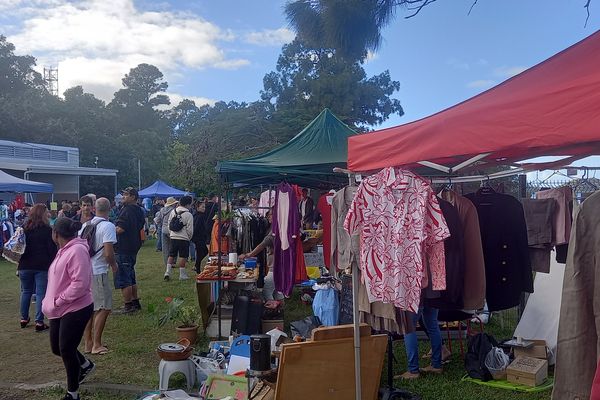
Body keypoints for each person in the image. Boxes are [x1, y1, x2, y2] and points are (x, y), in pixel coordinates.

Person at [41, 217, 95, 400]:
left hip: (76, 307)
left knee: (66, 349)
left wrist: (59, 300)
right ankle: (85, 365)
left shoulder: (77, 250)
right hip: (58, 308)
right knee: (57, 348)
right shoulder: (63, 250)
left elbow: (80, 284)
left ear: (55, 234)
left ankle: (73, 393)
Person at [81, 198, 117, 355]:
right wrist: (114, 265)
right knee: (104, 307)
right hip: (99, 270)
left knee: (89, 308)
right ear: (110, 209)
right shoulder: (108, 226)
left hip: (86, 270)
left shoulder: (86, 225)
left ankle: (88, 343)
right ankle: (97, 344)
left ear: (94, 209)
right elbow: (108, 252)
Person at [17, 204, 57, 331]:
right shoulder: (47, 230)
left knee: (26, 292)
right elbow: (52, 250)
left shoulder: (24, 228)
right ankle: (39, 321)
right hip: (42, 265)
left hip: (25, 265)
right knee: (40, 294)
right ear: (43, 214)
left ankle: (24, 318)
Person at [114, 187, 145, 314]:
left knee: (124, 277)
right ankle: (135, 301)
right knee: (131, 276)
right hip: (133, 246)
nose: (123, 197)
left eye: (126, 195)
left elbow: (121, 229)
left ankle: (128, 306)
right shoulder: (139, 210)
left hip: (124, 247)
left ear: (133, 197)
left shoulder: (126, 211)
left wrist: (110, 229)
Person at [239, 211, 283, 301]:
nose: (268, 217)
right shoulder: (281, 229)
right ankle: (280, 311)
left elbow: (261, 246)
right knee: (277, 291)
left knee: (267, 291)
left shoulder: (273, 234)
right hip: (282, 265)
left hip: (275, 266)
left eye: (271, 215)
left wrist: (248, 255)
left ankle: (271, 310)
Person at [398, 306, 443, 379]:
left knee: (409, 326)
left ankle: (413, 370)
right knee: (432, 324)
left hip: (415, 295)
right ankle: (436, 365)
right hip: (433, 294)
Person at [165, 195, 194, 281]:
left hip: (173, 237)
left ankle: (167, 272)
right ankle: (182, 274)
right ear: (188, 204)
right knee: (183, 256)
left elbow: (169, 224)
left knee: (171, 255)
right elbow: (190, 229)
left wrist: (171, 234)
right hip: (183, 238)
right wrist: (188, 237)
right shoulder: (188, 214)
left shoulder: (173, 211)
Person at [155, 197, 178, 276]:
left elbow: (157, 220)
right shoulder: (174, 210)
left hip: (163, 230)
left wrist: (159, 226)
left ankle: (166, 263)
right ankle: (173, 262)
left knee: (165, 248)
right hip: (171, 230)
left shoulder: (161, 210)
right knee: (173, 246)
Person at [191, 199, 209, 273]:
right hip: (199, 237)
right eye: (202, 207)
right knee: (202, 252)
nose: (204, 208)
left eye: (204, 207)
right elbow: (196, 227)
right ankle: (197, 268)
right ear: (197, 207)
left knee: (203, 252)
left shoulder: (197, 215)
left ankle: (197, 266)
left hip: (199, 237)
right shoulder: (199, 216)